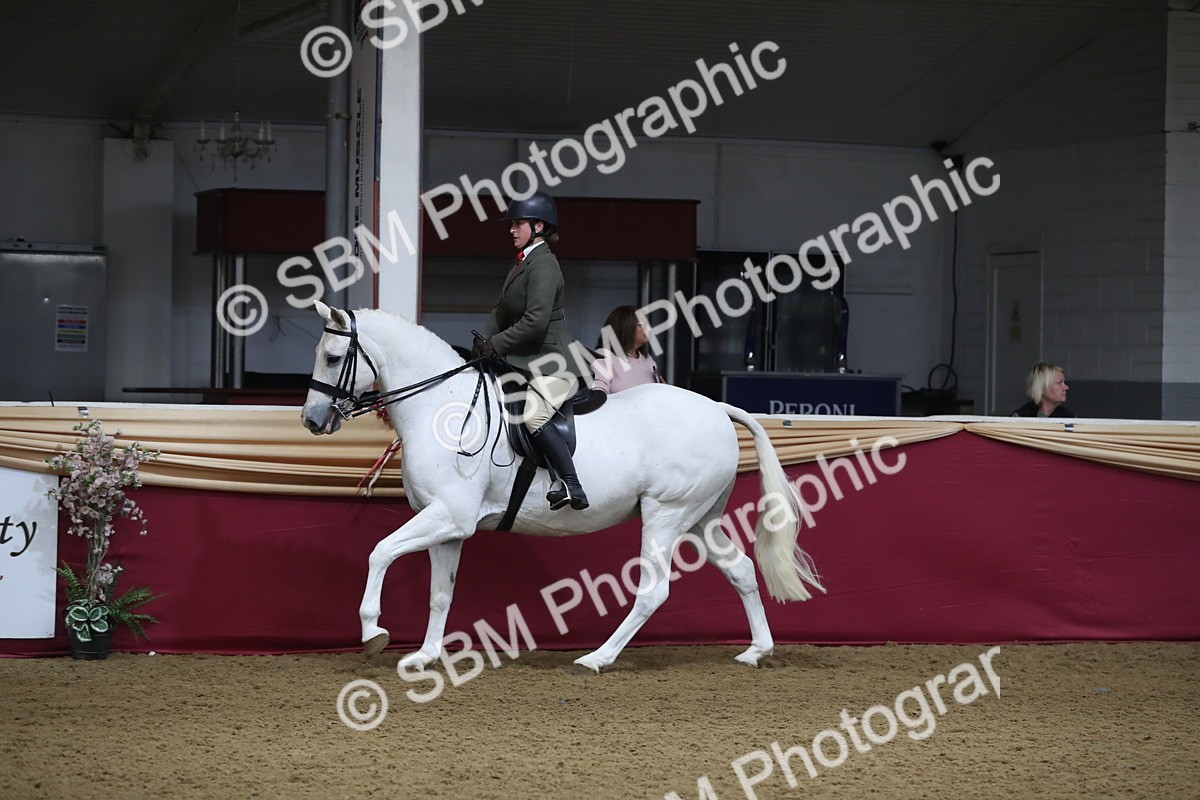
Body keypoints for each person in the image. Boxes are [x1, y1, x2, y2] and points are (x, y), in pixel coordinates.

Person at [471, 191, 591, 511]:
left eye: (518, 223)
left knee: (534, 414)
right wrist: (482, 337)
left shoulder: (545, 264)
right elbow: (501, 308)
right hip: (528, 359)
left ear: (539, 227)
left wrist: (496, 344)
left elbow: (536, 322)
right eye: (512, 224)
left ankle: (573, 485)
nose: (511, 229)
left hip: (555, 362)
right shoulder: (522, 261)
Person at [591, 306, 663, 393]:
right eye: (641, 325)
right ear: (625, 328)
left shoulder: (647, 358)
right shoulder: (604, 356)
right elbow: (598, 394)